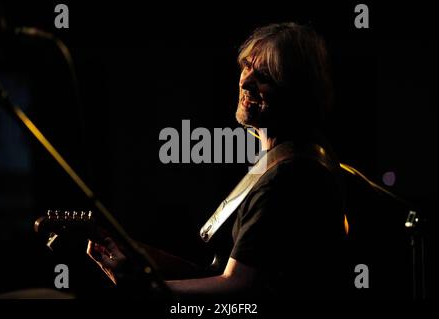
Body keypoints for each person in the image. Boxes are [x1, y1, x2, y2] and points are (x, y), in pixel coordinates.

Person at [87, 22, 349, 299]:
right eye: (247, 66)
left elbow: (239, 287)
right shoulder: (289, 159)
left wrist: (148, 291)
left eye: (265, 75)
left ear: (296, 91)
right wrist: (138, 255)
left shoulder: (286, 176)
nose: (246, 81)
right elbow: (222, 273)